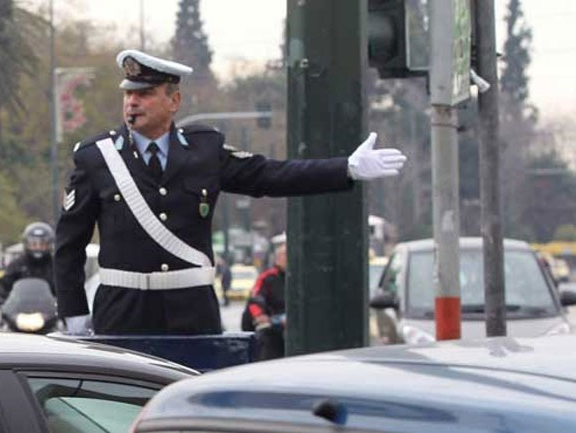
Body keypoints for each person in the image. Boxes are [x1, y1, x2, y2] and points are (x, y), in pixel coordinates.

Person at [55, 49, 407, 336]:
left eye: (145, 94)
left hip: (192, 312)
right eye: (129, 94)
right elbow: (69, 245)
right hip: (122, 312)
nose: (133, 102)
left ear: (173, 101)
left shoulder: (205, 150)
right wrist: (74, 313)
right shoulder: (96, 157)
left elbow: (270, 176)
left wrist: (346, 168)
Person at [0, 222, 55, 300]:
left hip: (51, 306)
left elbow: (66, 287)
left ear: (49, 245)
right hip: (20, 306)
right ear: (26, 244)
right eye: (34, 244)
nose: (38, 247)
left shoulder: (57, 266)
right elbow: (3, 286)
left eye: (42, 244)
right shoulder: (16, 265)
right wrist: (0, 298)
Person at [247, 244, 288, 360]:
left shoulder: (299, 276)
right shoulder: (267, 277)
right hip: (273, 326)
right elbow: (255, 299)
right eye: (284, 254)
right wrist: (260, 316)